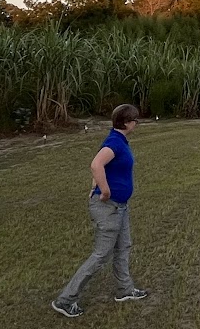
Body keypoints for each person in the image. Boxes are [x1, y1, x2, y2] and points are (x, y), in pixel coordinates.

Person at [53, 104, 148, 316]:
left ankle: (125, 289)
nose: (136, 123)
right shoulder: (114, 142)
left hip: (120, 206)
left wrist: (97, 184)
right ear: (126, 123)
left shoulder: (119, 141)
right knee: (101, 255)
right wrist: (104, 191)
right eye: (135, 120)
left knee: (123, 247)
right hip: (109, 207)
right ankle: (66, 300)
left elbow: (104, 167)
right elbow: (96, 165)